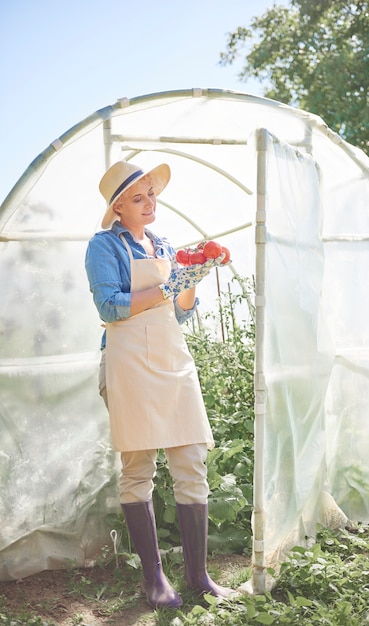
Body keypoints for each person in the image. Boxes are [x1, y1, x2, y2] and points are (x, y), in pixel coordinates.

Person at [85, 161, 233, 609]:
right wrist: (170, 286)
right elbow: (111, 308)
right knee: (139, 469)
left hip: (172, 360)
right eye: (138, 197)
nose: (150, 203)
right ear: (117, 207)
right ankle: (153, 579)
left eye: (152, 194)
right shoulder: (103, 246)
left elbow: (182, 311)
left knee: (191, 462)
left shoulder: (165, 244)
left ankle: (198, 575)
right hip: (129, 364)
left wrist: (193, 277)